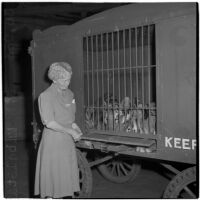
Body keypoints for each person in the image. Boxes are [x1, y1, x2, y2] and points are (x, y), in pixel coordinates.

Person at [34, 62, 82, 198]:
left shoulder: (70, 94)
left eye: (69, 79)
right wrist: (71, 131)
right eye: (64, 80)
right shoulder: (46, 96)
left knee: (65, 181)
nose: (68, 82)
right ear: (54, 79)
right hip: (53, 143)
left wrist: (74, 126)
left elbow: (69, 117)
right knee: (53, 182)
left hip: (67, 142)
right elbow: (50, 123)